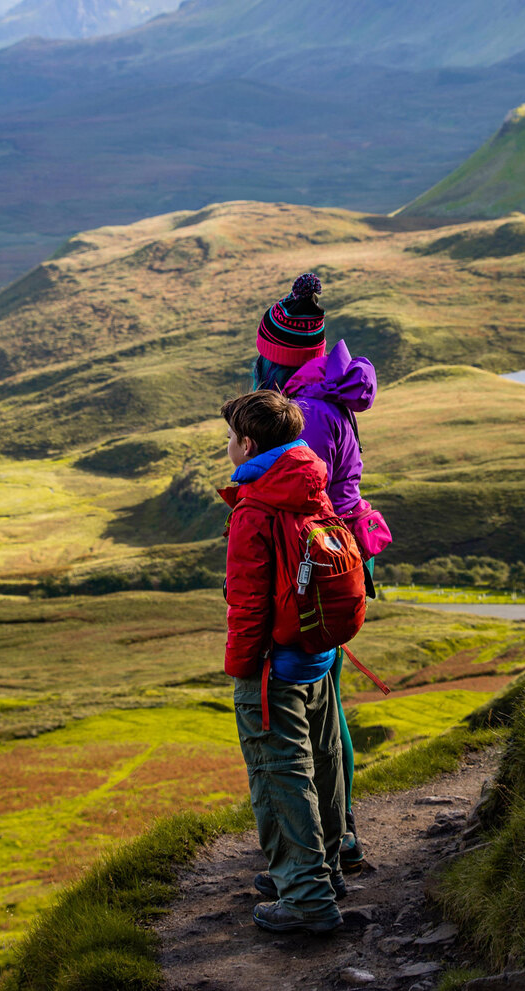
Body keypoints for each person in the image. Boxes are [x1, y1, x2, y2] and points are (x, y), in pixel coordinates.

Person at [254, 272, 377, 870]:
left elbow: (305, 505)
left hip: (314, 570)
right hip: (336, 557)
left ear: (274, 359)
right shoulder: (326, 394)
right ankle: (338, 833)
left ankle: (337, 837)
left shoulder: (303, 412)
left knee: (317, 707)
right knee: (323, 700)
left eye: (261, 354)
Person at [219, 389, 347, 935]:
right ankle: (324, 870)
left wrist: (242, 669)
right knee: (322, 760)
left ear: (247, 443)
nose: (227, 445)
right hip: (317, 652)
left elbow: (248, 602)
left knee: (280, 773)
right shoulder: (308, 486)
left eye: (230, 437)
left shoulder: (257, 507)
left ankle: (306, 898)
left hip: (273, 665)